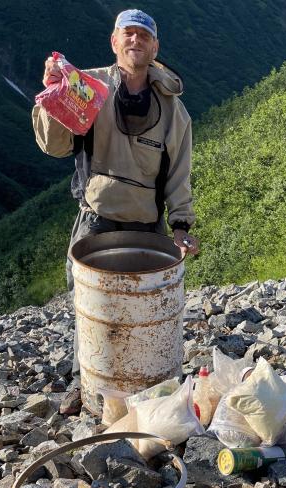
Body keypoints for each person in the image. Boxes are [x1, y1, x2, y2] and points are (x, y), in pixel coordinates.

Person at [32, 8, 199, 374]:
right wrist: (52, 93)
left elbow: (178, 174)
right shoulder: (86, 89)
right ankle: (89, 382)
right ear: (114, 41)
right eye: (128, 33)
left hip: (147, 225)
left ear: (155, 48)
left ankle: (144, 382)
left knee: (142, 312)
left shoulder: (173, 110)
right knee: (91, 308)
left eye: (143, 35)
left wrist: (182, 225)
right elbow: (55, 146)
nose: (135, 40)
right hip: (97, 219)